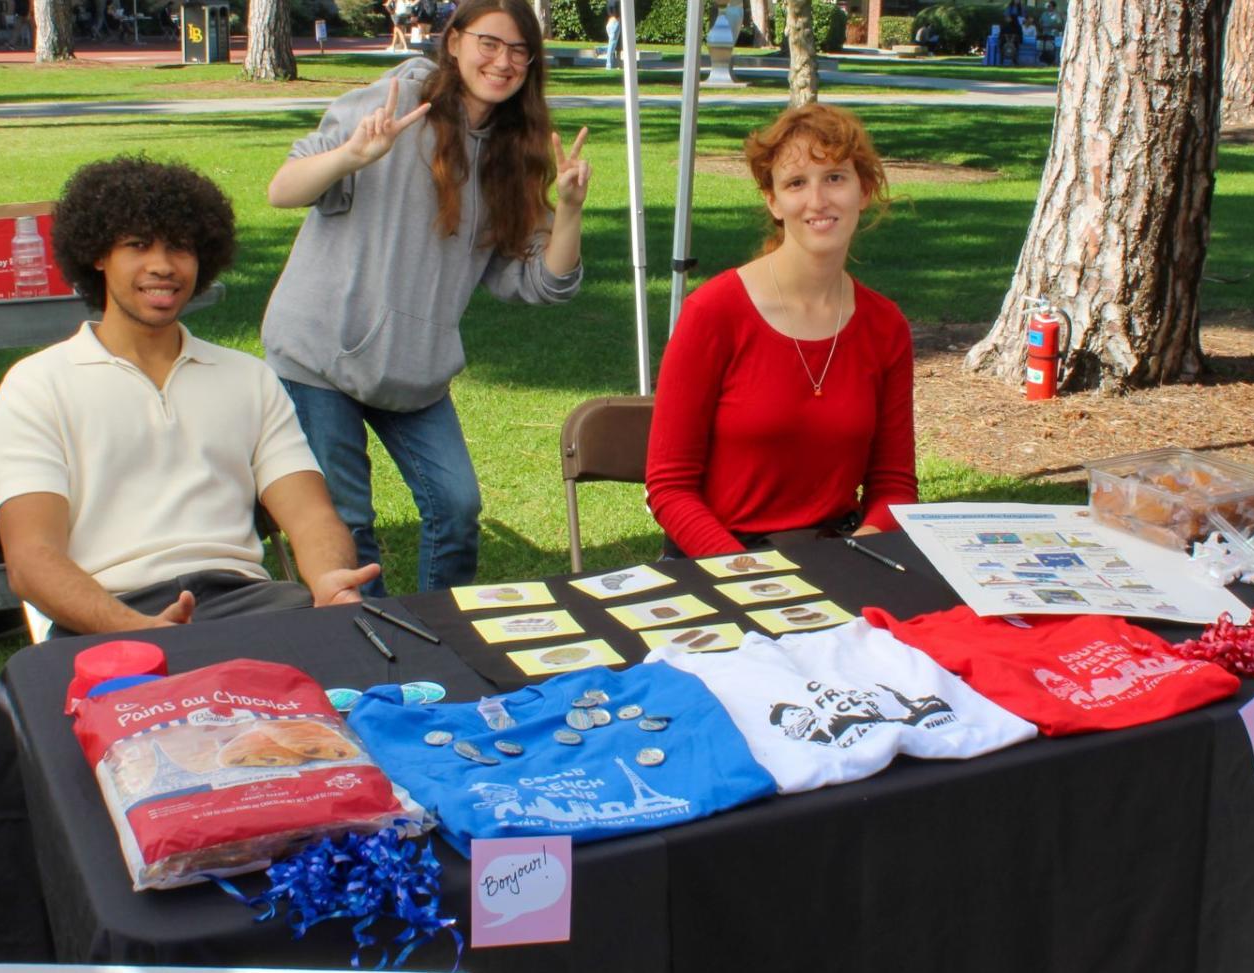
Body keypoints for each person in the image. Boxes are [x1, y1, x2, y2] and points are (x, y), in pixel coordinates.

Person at [262, 0, 590, 593]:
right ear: (456, 41)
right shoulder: (391, 104)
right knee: (348, 525)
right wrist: (351, 157)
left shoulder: (513, 156)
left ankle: (445, 635)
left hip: (413, 369)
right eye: (490, 43)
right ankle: (373, 646)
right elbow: (283, 189)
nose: (504, 61)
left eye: (520, 51)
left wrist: (568, 210)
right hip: (318, 355)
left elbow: (544, 283)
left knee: (457, 508)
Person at [0, 156, 377, 637]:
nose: (163, 266)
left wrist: (329, 580)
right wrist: (139, 629)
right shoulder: (37, 386)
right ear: (98, 255)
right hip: (108, 615)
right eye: (137, 245)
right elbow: (30, 559)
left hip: (250, 603)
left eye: (180, 248)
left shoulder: (248, 378)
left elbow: (311, 514)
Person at [645, 104, 916, 559]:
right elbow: (670, 487)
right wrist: (746, 574)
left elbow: (894, 484)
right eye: (796, 183)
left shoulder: (885, 326)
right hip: (720, 561)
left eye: (834, 177)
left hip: (839, 555)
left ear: (864, 189)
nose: (818, 200)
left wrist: (857, 554)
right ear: (773, 201)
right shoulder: (713, 313)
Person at [604, 0, 621, 68]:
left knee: (612, 44)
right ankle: (608, 64)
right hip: (615, 23)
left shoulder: (609, 1)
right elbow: (617, 13)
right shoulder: (617, 2)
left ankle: (600, 50)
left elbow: (609, 12)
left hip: (610, 23)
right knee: (612, 45)